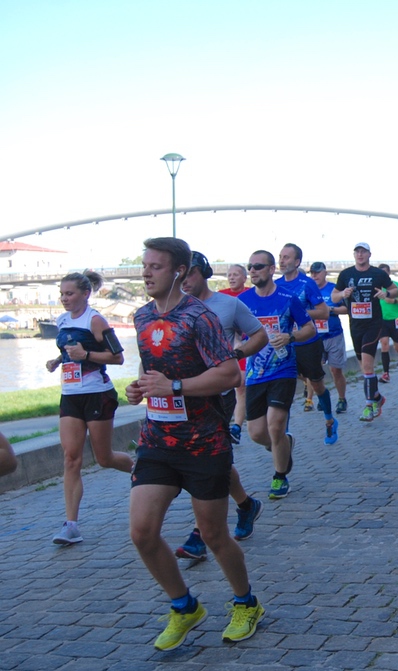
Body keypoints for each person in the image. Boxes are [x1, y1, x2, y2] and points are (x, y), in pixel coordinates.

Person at [126, 237, 263, 650]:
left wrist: (174, 386)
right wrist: (140, 388)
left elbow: (229, 375)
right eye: (145, 265)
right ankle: (184, 606)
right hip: (157, 440)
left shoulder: (199, 317)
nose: (146, 272)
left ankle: (246, 603)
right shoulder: (141, 317)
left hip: (203, 442)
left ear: (179, 271)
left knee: (214, 535)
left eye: (156, 266)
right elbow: (152, 369)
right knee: (142, 532)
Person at [174, 252, 269, 560]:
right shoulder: (173, 308)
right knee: (214, 463)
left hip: (218, 395)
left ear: (204, 273)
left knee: (202, 462)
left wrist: (238, 352)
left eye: (189, 273)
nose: (183, 280)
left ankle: (199, 534)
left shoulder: (228, 305)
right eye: (179, 275)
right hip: (183, 395)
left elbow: (260, 334)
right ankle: (246, 504)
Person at [44, 270, 132, 545]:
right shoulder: (61, 320)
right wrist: (58, 360)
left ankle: (143, 471)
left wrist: (86, 355)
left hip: (97, 394)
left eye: (69, 293)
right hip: (70, 395)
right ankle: (71, 526)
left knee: (104, 458)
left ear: (85, 294)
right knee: (71, 458)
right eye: (61, 294)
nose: (64, 298)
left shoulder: (96, 320)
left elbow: (118, 357)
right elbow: (69, 349)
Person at [239, 250, 316, 499]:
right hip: (255, 373)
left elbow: (310, 328)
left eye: (258, 266)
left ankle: (280, 477)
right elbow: (232, 332)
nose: (252, 271)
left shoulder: (287, 298)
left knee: (275, 425)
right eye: (250, 267)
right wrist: (236, 348)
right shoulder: (243, 301)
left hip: (283, 370)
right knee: (256, 433)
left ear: (272, 269)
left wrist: (290, 336)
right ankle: (283, 444)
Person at [275, 244, 336, 444]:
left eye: (286, 257)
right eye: (280, 256)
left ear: (297, 262)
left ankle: (329, 420)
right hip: (286, 344)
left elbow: (324, 312)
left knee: (317, 385)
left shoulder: (306, 283)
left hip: (308, 342)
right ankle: (283, 435)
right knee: (284, 387)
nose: (282, 260)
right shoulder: (276, 285)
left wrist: (298, 313)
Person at [332, 242, 398, 421]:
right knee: (364, 368)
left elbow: (394, 289)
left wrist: (386, 294)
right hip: (355, 325)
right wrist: (343, 294)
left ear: (370, 254)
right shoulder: (346, 274)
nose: (360, 255)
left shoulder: (378, 274)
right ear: (354, 254)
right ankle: (377, 397)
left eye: (363, 252)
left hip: (373, 324)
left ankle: (369, 407)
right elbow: (334, 296)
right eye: (357, 252)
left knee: (368, 366)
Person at [308, 262, 350, 415]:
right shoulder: (307, 289)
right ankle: (322, 397)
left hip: (333, 334)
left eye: (318, 272)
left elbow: (347, 309)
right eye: (312, 273)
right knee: (316, 371)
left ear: (325, 273)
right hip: (314, 336)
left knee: (335, 370)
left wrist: (330, 309)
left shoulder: (334, 289)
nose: (315, 276)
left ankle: (341, 399)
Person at [219, 264, 251, 444]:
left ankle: (236, 428)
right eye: (229, 275)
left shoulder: (250, 295)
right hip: (222, 348)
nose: (231, 277)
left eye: (236, 274)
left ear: (244, 278)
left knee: (241, 385)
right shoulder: (220, 296)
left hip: (244, 347)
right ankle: (221, 425)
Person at [376, 263, 398, 383]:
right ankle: (386, 373)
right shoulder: (376, 287)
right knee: (384, 344)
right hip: (382, 320)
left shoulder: (396, 285)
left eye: (385, 273)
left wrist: (394, 301)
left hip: (395, 319)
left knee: (397, 347)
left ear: (389, 273)